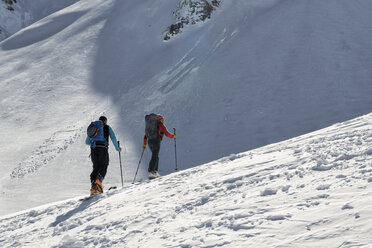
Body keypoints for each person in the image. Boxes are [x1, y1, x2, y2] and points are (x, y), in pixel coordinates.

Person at [86, 116, 121, 195]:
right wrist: (117, 148)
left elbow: (87, 142)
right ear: (105, 121)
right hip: (103, 150)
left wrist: (94, 142)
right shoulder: (107, 127)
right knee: (104, 166)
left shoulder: (93, 128)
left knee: (96, 167)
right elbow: (113, 138)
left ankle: (93, 187)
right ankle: (98, 183)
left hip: (93, 150)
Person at [143, 114, 176, 179]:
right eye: (162, 119)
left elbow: (145, 135)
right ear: (160, 119)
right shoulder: (160, 125)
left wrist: (144, 144)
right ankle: (151, 171)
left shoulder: (150, 126)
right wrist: (173, 136)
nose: (163, 120)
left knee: (155, 155)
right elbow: (166, 133)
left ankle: (155, 171)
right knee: (155, 155)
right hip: (156, 141)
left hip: (150, 142)